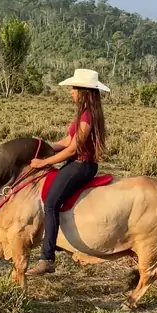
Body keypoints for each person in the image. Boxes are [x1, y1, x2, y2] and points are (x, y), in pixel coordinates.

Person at [28, 68, 109, 276]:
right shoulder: (85, 114)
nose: (71, 92)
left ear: (84, 92)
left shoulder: (87, 116)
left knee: (51, 204)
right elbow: (67, 141)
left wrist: (43, 162)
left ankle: (47, 259)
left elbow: (73, 149)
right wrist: (44, 147)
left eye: (74, 88)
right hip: (78, 163)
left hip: (81, 165)